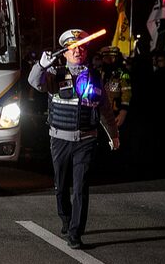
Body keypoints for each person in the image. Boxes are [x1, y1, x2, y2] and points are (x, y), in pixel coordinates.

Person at [28, 29, 119, 249]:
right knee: (61, 186)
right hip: (59, 139)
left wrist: (114, 134)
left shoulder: (96, 77)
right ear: (65, 53)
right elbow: (33, 82)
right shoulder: (54, 75)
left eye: (82, 47)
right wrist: (41, 65)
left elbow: (105, 109)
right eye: (73, 48)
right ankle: (66, 219)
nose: (78, 51)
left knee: (80, 187)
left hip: (87, 140)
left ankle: (75, 233)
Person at [97, 46, 131, 128]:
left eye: (112, 57)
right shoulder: (99, 72)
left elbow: (127, 94)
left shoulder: (122, 73)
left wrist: (123, 112)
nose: (109, 60)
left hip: (115, 113)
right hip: (99, 112)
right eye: (105, 57)